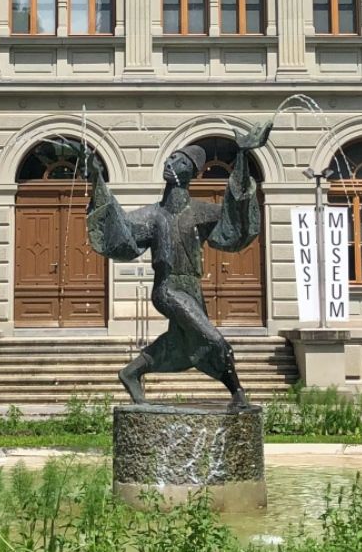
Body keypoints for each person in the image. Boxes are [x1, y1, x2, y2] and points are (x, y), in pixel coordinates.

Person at [84, 118, 273, 407]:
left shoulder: (200, 212)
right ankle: (238, 394)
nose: (171, 162)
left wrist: (243, 157)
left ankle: (131, 373)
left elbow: (234, 219)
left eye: (180, 161)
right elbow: (122, 231)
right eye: (171, 157)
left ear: (191, 173)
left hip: (193, 289)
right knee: (213, 339)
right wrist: (98, 181)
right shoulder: (153, 215)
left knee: (184, 346)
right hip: (168, 288)